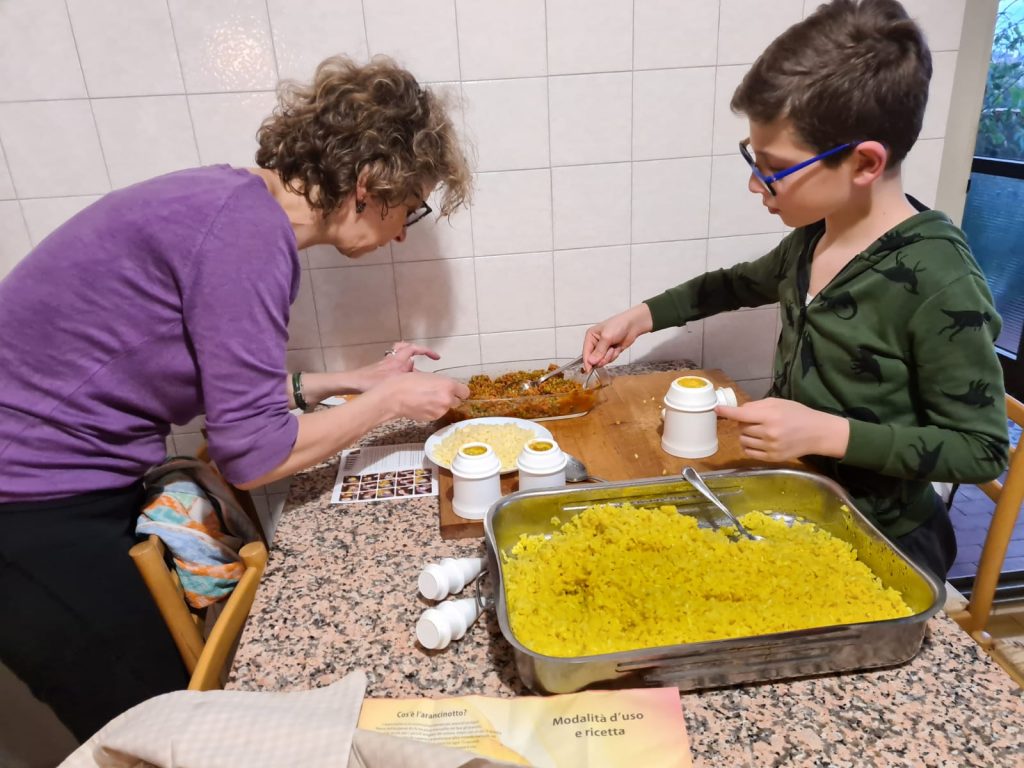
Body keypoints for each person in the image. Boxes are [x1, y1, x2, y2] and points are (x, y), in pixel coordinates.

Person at [0, 56, 471, 741]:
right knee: (154, 733)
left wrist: (347, 384)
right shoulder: (246, 237)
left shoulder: (230, 210)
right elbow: (250, 454)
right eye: (412, 207)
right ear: (371, 185)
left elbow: (227, 391)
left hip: (55, 483)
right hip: (25, 502)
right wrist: (390, 400)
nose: (403, 231)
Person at [583, 0, 1009, 580]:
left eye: (774, 167)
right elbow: (732, 284)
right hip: (798, 502)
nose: (757, 183)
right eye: (752, 158)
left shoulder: (940, 280)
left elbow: (981, 449)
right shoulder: (815, 237)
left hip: (885, 538)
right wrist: (641, 315)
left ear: (862, 163)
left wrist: (829, 433)